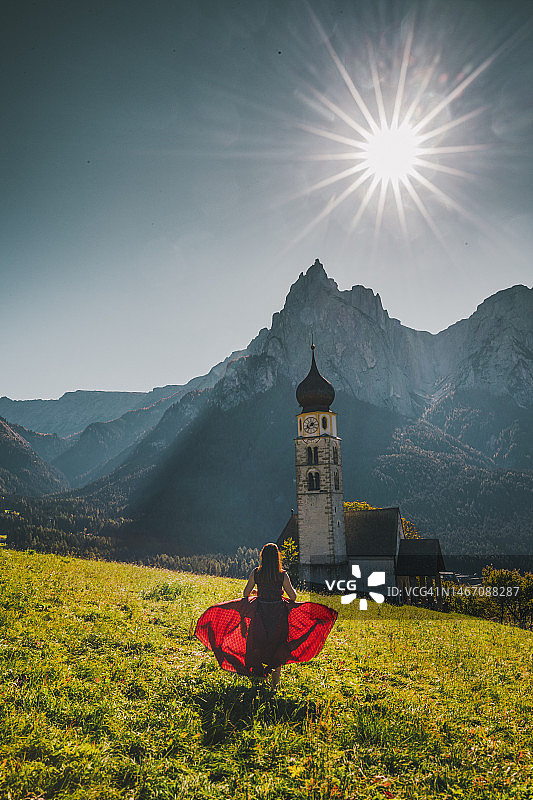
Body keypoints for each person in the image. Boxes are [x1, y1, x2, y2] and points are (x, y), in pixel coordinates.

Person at [194, 542, 337, 690]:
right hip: (278, 617)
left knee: (257, 646)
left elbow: (245, 593)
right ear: (277, 558)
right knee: (277, 649)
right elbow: (293, 597)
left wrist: (258, 592)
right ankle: (274, 686)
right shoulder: (282, 575)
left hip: (259, 616)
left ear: (263, 557)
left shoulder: (256, 573)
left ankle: (259, 679)